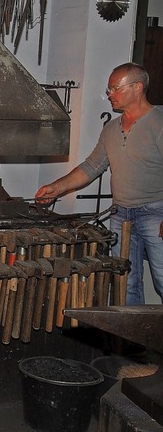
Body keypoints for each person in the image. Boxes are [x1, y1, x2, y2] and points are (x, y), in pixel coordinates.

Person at [35, 62, 163, 305]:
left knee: (162, 278)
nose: (109, 95)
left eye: (115, 89)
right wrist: (57, 187)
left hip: (156, 213)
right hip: (121, 214)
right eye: (109, 90)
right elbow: (92, 167)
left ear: (137, 87)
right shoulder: (112, 129)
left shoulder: (159, 123)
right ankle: (130, 341)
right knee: (126, 282)